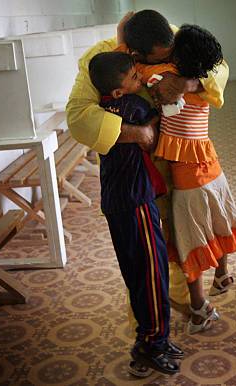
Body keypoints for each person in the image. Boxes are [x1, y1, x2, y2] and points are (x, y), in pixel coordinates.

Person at [67, 9, 229, 315]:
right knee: (146, 255)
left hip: (180, 166)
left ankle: (183, 305)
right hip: (135, 178)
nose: (169, 62)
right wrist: (139, 133)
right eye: (158, 60)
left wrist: (187, 83)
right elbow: (77, 118)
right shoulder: (101, 58)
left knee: (181, 235)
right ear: (136, 54)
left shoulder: (174, 37)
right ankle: (151, 326)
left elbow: (218, 66)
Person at [127, 25, 236, 334]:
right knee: (219, 217)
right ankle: (222, 275)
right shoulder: (202, 82)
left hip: (188, 173)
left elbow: (134, 68)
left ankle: (198, 309)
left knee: (188, 238)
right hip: (210, 162)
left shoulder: (165, 78)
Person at [88, 51, 182, 376]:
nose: (139, 80)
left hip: (117, 203)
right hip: (136, 203)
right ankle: (152, 344)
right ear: (118, 91)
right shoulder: (133, 107)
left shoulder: (104, 111)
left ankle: (152, 336)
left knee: (137, 275)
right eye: (133, 78)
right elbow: (162, 117)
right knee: (153, 275)